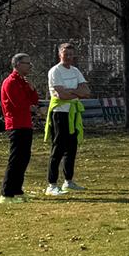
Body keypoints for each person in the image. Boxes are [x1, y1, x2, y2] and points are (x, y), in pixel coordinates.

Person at [44, 41, 91, 196]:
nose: (69, 57)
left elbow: (86, 92)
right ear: (60, 54)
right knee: (58, 148)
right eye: (66, 54)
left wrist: (71, 91)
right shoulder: (55, 71)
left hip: (73, 112)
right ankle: (52, 184)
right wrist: (76, 92)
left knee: (72, 148)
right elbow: (61, 95)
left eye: (71, 54)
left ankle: (68, 181)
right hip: (60, 113)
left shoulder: (75, 71)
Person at [0, 52, 39, 204]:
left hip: (26, 124)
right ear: (17, 65)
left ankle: (17, 190)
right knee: (15, 159)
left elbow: (33, 100)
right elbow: (19, 104)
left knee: (24, 158)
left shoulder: (23, 82)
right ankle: (6, 193)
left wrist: (32, 89)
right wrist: (34, 109)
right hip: (16, 124)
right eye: (27, 63)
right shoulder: (10, 82)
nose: (30, 66)